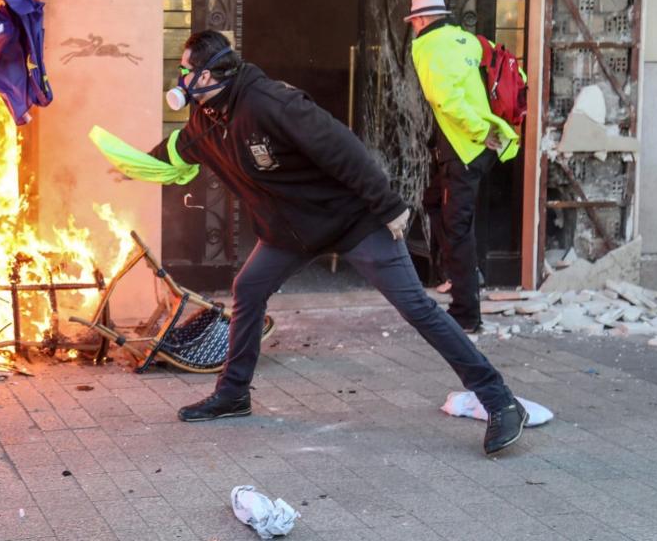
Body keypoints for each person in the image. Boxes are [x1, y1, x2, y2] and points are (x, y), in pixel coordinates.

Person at [146, 29, 527, 455]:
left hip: (353, 221)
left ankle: (499, 399)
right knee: (248, 288)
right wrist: (139, 165)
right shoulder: (208, 117)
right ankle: (233, 394)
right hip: (292, 231)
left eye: (186, 71)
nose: (180, 80)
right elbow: (181, 148)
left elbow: (343, 147)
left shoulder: (272, 103)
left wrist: (387, 206)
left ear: (213, 73)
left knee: (417, 307)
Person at [405, 0, 519, 333]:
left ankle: (466, 313)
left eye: (413, 22)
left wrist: (480, 130)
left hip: (465, 148)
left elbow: (445, 99)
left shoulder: (428, 46)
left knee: (457, 227)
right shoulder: (466, 40)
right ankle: (456, 274)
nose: (413, 27)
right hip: (476, 147)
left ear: (422, 21)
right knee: (433, 203)